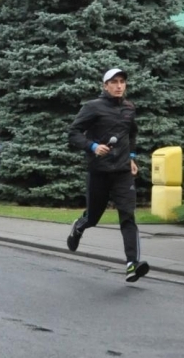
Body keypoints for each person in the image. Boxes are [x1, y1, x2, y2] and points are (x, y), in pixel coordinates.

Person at [65, 68, 152, 283]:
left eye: (122, 82)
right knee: (93, 217)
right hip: (99, 172)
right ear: (105, 86)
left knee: (128, 216)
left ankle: (132, 264)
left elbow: (132, 133)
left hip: (122, 172)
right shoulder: (93, 107)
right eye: (114, 82)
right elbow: (73, 133)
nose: (119, 86)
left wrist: (131, 156)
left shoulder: (129, 108)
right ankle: (79, 226)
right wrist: (92, 146)